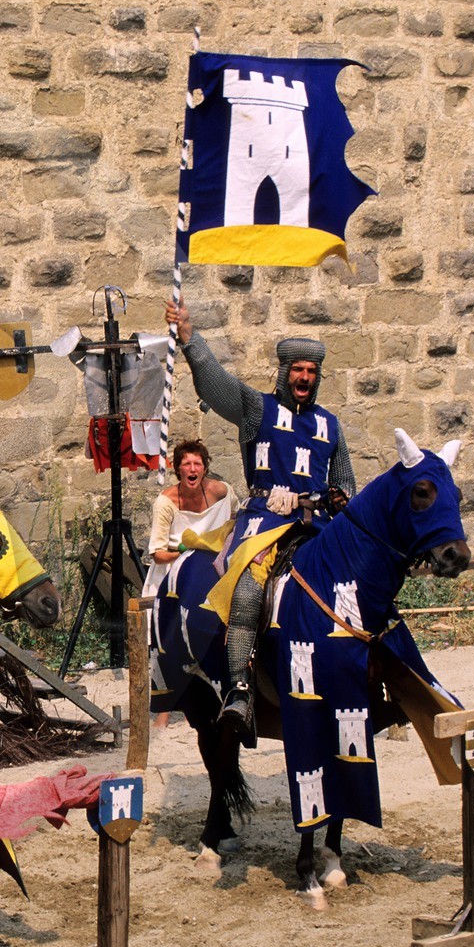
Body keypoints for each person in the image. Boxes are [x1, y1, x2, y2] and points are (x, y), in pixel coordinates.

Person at [165, 299, 355, 745]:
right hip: (265, 520)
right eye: (298, 370)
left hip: (315, 524)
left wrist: (340, 497)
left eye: (311, 371)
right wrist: (190, 337)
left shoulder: (330, 425)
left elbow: (344, 481)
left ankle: (372, 671)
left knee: (358, 581)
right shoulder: (258, 409)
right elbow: (217, 385)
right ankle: (239, 690)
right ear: (285, 372)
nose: (304, 377)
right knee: (249, 589)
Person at [142, 439, 232, 730]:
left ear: (204, 468)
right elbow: (157, 553)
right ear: (177, 469)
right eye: (186, 464)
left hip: (209, 575)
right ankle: (164, 713)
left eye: (197, 464)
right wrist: (187, 553)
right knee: (166, 645)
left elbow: (235, 522)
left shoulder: (222, 493)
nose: (192, 469)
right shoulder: (166, 502)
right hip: (171, 574)